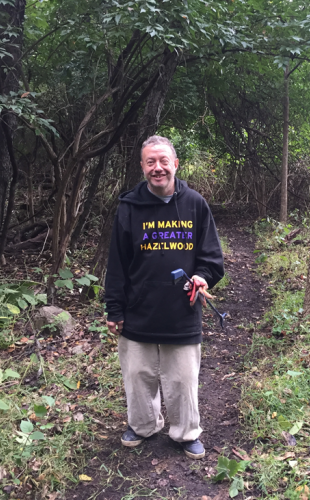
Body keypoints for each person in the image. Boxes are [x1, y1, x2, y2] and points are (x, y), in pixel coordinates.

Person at [104, 135, 224, 460]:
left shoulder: (195, 204)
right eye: (150, 162)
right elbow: (117, 263)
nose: (158, 168)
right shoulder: (129, 207)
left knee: (183, 379)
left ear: (175, 164)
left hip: (181, 312)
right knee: (137, 376)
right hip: (137, 309)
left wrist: (203, 276)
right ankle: (143, 426)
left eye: (163, 161)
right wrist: (114, 308)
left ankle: (186, 433)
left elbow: (212, 258)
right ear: (142, 166)